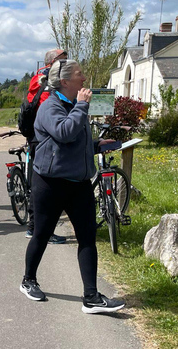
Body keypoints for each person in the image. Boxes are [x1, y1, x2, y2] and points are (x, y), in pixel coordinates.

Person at [20, 59, 125, 314]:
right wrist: (82, 105)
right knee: (42, 234)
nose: (84, 78)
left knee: (87, 237)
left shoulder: (74, 105)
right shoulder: (50, 106)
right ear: (65, 81)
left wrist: (97, 144)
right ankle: (28, 280)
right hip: (50, 183)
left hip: (79, 183)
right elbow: (64, 132)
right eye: (80, 75)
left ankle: (91, 297)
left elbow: (72, 143)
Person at [24, 49, 68, 244]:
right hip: (43, 137)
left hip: (38, 136)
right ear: (52, 62)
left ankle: (35, 228)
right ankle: (40, 230)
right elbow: (48, 110)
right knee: (46, 186)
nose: (66, 63)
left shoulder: (42, 77)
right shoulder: (44, 79)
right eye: (62, 60)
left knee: (40, 184)